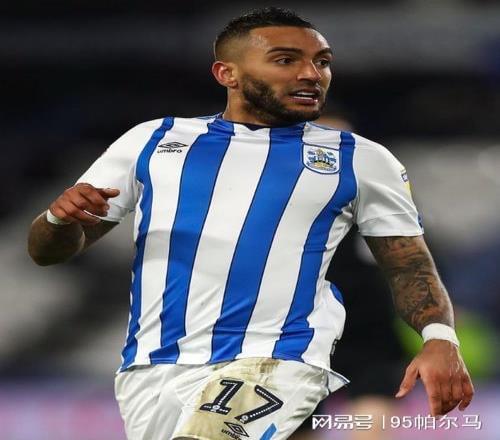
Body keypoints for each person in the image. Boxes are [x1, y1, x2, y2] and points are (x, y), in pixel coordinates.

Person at [27, 7, 474, 440]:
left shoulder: (361, 159)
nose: (311, 74)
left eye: (322, 62)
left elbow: (408, 262)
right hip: (152, 367)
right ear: (228, 74)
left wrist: (439, 337)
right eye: (286, 60)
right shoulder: (153, 140)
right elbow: (47, 252)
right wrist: (58, 219)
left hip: (278, 359)